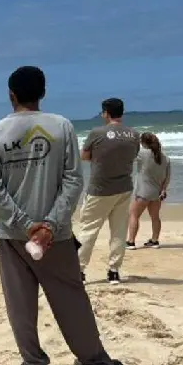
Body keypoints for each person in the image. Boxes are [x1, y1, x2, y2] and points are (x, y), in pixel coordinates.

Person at [0, 65, 122, 365]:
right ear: (42, 93)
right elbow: (74, 180)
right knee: (71, 299)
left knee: (20, 305)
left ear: (11, 95)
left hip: (14, 238)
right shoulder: (61, 127)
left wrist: (24, 224)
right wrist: (49, 225)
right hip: (54, 238)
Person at [77, 98, 140, 285]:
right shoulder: (133, 134)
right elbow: (134, 155)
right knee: (119, 231)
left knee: (88, 230)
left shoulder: (97, 133)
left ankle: (79, 269)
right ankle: (114, 271)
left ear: (106, 113)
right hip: (124, 187)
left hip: (100, 188)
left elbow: (84, 156)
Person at [126, 133, 171, 250]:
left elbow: (127, 155)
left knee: (134, 215)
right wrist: (163, 189)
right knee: (155, 217)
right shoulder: (165, 157)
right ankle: (155, 240)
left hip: (143, 192)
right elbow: (167, 177)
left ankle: (131, 242)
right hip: (157, 193)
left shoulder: (142, 154)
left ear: (143, 143)